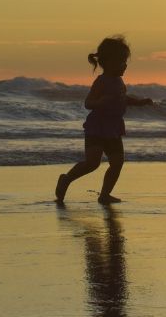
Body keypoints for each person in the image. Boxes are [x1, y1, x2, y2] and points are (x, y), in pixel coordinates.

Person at [55, 36, 153, 206]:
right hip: (97, 128)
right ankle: (66, 179)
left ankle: (105, 194)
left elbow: (122, 98)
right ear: (107, 62)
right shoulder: (101, 81)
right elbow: (88, 103)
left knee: (117, 163)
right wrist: (100, 102)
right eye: (121, 61)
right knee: (92, 163)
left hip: (113, 128)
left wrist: (139, 102)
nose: (125, 65)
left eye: (125, 61)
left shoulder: (119, 81)